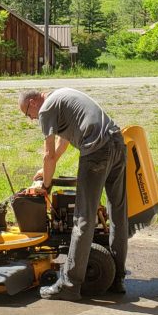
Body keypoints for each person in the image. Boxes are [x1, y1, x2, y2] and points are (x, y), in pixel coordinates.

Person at [18, 86, 128, 301]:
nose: (31, 119)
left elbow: (48, 153)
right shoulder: (61, 96)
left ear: (32, 103)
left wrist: (45, 185)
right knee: (117, 213)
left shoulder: (45, 109)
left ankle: (69, 285)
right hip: (117, 143)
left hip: (96, 150)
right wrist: (48, 169)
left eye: (27, 114)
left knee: (82, 219)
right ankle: (117, 278)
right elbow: (64, 142)